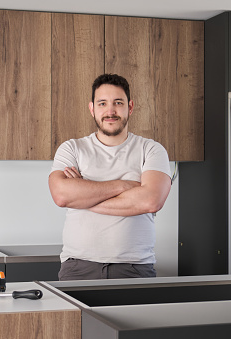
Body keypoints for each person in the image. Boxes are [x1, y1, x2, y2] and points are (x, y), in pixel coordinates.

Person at [48, 73, 172, 281]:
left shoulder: (151, 150)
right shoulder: (72, 148)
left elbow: (151, 200)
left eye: (118, 103)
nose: (110, 111)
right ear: (92, 108)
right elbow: (62, 196)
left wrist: (83, 195)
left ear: (130, 107)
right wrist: (125, 186)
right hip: (78, 267)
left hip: (135, 268)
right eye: (103, 103)